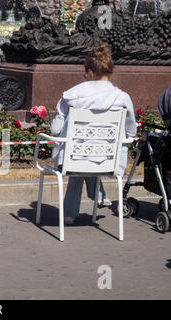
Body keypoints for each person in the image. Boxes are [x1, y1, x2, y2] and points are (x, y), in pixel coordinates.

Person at [50, 44, 137, 224]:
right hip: (108, 160)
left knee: (80, 159)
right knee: (90, 157)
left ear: (89, 71)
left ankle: (71, 213)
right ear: (110, 70)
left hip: (73, 159)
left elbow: (55, 130)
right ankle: (98, 195)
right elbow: (131, 131)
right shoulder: (122, 97)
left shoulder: (70, 95)